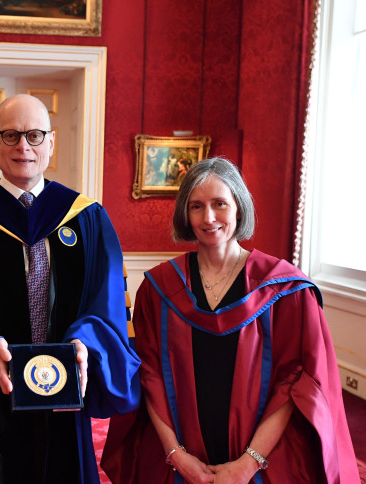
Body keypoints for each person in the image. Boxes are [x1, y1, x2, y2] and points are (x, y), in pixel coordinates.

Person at [0, 94, 141, 483]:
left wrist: (84, 344)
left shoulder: (88, 219)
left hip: (66, 392)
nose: (24, 146)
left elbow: (106, 308)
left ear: (51, 143)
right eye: (11, 135)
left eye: (35, 135)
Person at [101, 157, 359, 484]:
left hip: (262, 461)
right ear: (185, 213)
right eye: (196, 206)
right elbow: (148, 377)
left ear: (239, 206)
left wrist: (248, 464)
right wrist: (177, 456)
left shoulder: (285, 290)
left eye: (220, 203)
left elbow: (295, 383)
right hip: (180, 460)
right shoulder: (159, 289)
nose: (208, 218)